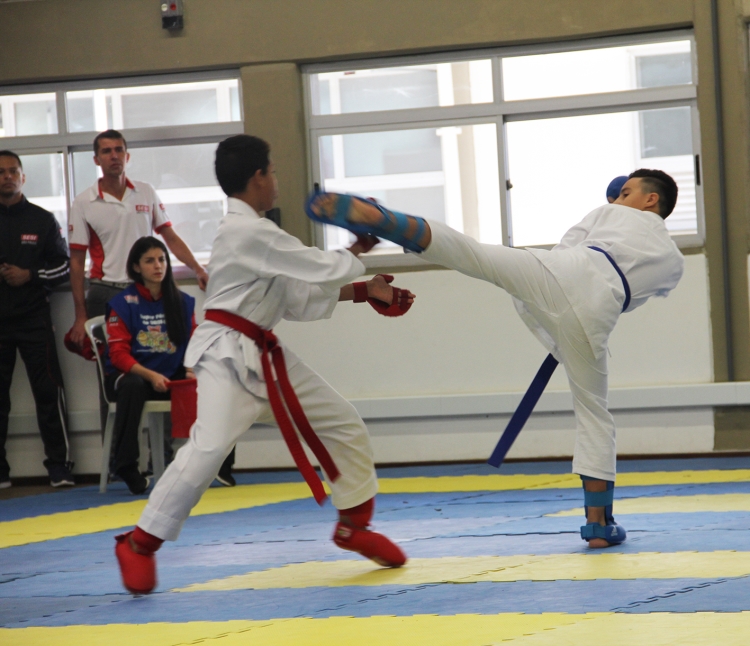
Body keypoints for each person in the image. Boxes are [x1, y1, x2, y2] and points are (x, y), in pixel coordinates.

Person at [306, 168, 685, 549]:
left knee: (472, 254)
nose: (618, 198)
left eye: (626, 192)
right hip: (598, 312)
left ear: (651, 198)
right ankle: (598, 525)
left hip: (565, 272)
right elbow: (639, 296)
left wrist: (557, 287)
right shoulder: (672, 259)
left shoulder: (607, 214)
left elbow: (567, 249)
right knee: (594, 412)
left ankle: (387, 221)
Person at [114, 134, 414, 594]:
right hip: (225, 353)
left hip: (264, 351)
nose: (275, 180)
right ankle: (139, 543)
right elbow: (319, 267)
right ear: (257, 177)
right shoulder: (247, 231)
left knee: (342, 422)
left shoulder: (263, 235)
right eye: (272, 172)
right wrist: (358, 248)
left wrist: (364, 287)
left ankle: (354, 523)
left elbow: (297, 298)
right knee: (208, 449)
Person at [66, 130, 208, 349]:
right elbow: (76, 262)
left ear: (127, 156)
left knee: (152, 352)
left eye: (119, 150)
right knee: (110, 361)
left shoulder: (146, 192)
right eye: (106, 151)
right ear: (96, 159)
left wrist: (198, 269)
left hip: (145, 288)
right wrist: (80, 314)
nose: (114, 156)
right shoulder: (83, 202)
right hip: (105, 291)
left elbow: (170, 237)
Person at [0, 150, 74, 488]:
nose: (7, 177)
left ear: (23, 177)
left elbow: (64, 267)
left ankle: (59, 467)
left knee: (48, 392)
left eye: (13, 171)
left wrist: (30, 274)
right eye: (1, 172)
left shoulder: (42, 220)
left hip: (34, 320)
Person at [105, 237, 197, 494]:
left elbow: (195, 341)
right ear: (136, 267)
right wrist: (150, 375)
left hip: (171, 374)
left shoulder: (183, 301)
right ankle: (126, 465)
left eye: (162, 259)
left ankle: (215, 463)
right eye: (149, 261)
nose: (158, 266)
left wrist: (192, 367)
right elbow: (118, 355)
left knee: (215, 381)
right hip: (132, 377)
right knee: (133, 385)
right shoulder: (122, 304)